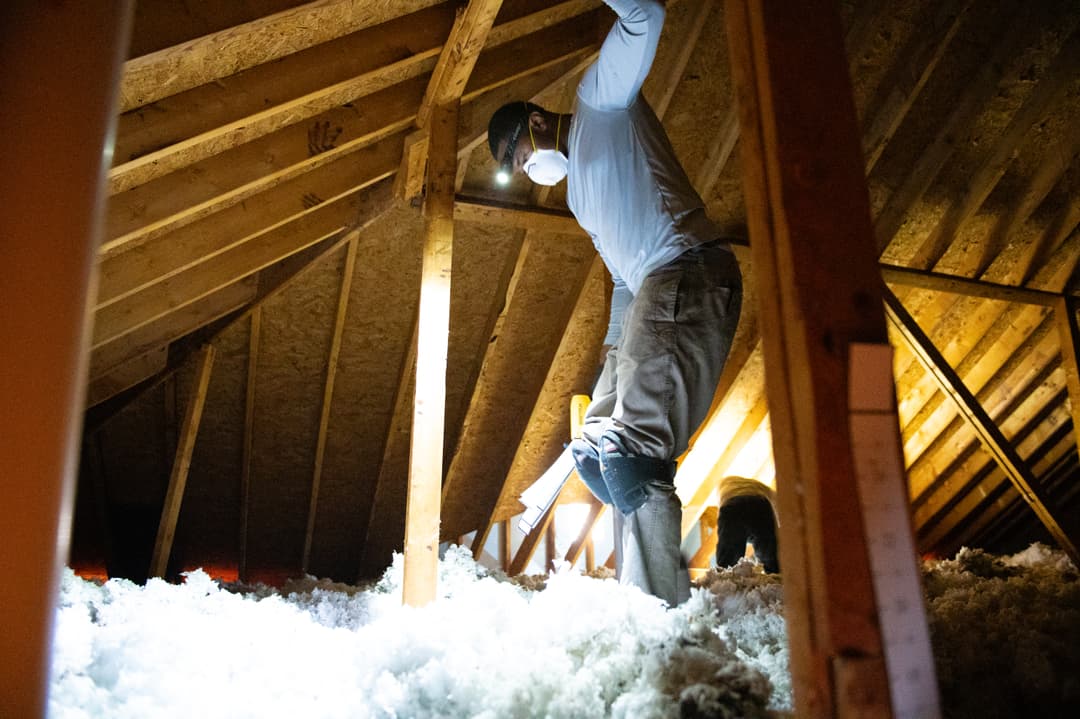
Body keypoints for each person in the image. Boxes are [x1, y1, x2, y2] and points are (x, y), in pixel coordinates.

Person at [488, 0, 742, 606]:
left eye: (523, 158)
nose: (530, 171)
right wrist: (612, 348)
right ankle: (641, 594)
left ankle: (657, 611)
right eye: (522, 171)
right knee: (598, 451)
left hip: (686, 268)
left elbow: (645, 20)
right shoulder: (580, 195)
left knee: (633, 454)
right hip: (655, 287)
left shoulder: (599, 103)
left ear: (536, 123)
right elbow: (623, 278)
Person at [714, 476, 780, 574]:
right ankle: (775, 577)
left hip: (732, 506)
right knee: (770, 559)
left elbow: (726, 527)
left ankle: (727, 582)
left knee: (728, 565)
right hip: (760, 504)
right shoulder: (761, 488)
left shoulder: (724, 486)